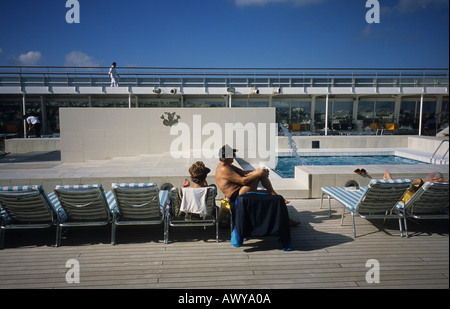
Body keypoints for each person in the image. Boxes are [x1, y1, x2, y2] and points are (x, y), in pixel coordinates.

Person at [215, 145, 300, 226]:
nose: (234, 157)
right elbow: (243, 181)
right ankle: (274, 195)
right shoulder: (224, 169)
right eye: (233, 155)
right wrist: (259, 173)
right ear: (229, 156)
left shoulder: (228, 165)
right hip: (237, 194)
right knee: (260, 175)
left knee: (273, 196)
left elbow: (244, 174)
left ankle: (285, 219)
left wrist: (259, 172)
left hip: (241, 189)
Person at [383, 170, 448, 204]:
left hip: (408, 203)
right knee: (389, 180)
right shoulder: (444, 189)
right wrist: (443, 181)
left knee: (395, 186)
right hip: (433, 206)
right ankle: (389, 180)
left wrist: (425, 180)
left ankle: (389, 180)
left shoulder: (420, 187)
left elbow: (409, 182)